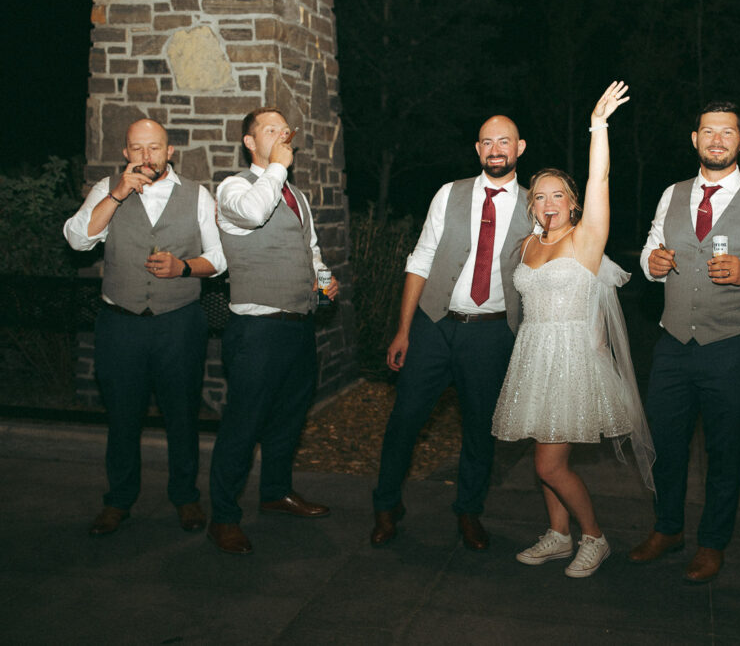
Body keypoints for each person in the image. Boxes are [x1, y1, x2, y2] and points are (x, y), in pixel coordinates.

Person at [492, 82, 653, 578]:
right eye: (539, 197)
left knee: (548, 465)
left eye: (558, 194)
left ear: (574, 202)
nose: (547, 202)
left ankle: (594, 538)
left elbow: (600, 176)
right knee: (542, 450)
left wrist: (598, 125)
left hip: (571, 361)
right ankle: (558, 535)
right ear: (532, 206)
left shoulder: (586, 240)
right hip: (532, 356)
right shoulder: (525, 247)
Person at [629, 102, 740, 583]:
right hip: (673, 344)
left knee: (725, 449)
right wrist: (651, 265)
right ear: (694, 139)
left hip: (732, 346)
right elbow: (650, 248)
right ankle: (667, 528)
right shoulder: (673, 194)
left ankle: (713, 542)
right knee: (666, 443)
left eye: (727, 132)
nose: (716, 140)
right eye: (708, 131)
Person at [370, 114, 534, 551]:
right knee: (405, 419)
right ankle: (386, 506)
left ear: (520, 149)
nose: (495, 149)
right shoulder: (449, 194)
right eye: (487, 142)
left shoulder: (537, 204)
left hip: (492, 334)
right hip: (434, 325)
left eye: (505, 141)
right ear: (478, 149)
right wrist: (404, 330)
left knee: (480, 429)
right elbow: (421, 258)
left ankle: (469, 510)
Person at [64, 118, 226, 536]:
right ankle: (118, 500)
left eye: (154, 148)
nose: (146, 157)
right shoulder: (108, 190)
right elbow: (78, 240)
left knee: (182, 415)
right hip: (121, 323)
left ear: (170, 151)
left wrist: (184, 267)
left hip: (178, 323)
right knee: (122, 417)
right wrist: (117, 195)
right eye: (137, 148)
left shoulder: (196, 195)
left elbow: (220, 258)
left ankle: (186, 498)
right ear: (126, 152)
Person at [207, 107, 338, 555]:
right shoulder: (233, 188)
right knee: (243, 425)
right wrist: (278, 166)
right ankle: (223, 517)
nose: (283, 136)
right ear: (249, 142)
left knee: (289, 416)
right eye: (270, 130)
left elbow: (310, 248)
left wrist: (323, 279)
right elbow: (253, 215)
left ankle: (275, 492)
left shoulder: (296, 196)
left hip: (299, 325)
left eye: (286, 132)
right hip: (256, 329)